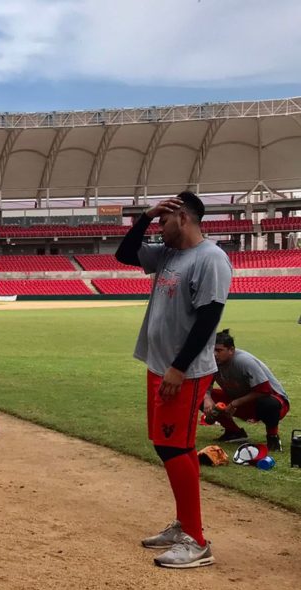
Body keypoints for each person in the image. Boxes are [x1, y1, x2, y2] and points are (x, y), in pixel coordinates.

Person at [115, 192, 231, 569]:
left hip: (184, 371)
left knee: (175, 447)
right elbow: (124, 254)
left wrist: (179, 368)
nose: (159, 229)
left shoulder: (210, 258)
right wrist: (147, 215)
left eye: (164, 220)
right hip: (160, 365)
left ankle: (197, 541)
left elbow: (209, 317)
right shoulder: (168, 254)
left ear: (183, 217)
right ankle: (185, 524)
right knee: (167, 445)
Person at [204, 329, 289, 452]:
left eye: (219, 350)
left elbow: (264, 390)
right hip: (242, 400)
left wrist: (234, 403)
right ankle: (234, 432)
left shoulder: (243, 361)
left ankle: (272, 436)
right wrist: (207, 398)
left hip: (273, 401)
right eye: (212, 350)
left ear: (231, 350)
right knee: (198, 396)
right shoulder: (212, 361)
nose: (215, 354)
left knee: (268, 403)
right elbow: (205, 386)